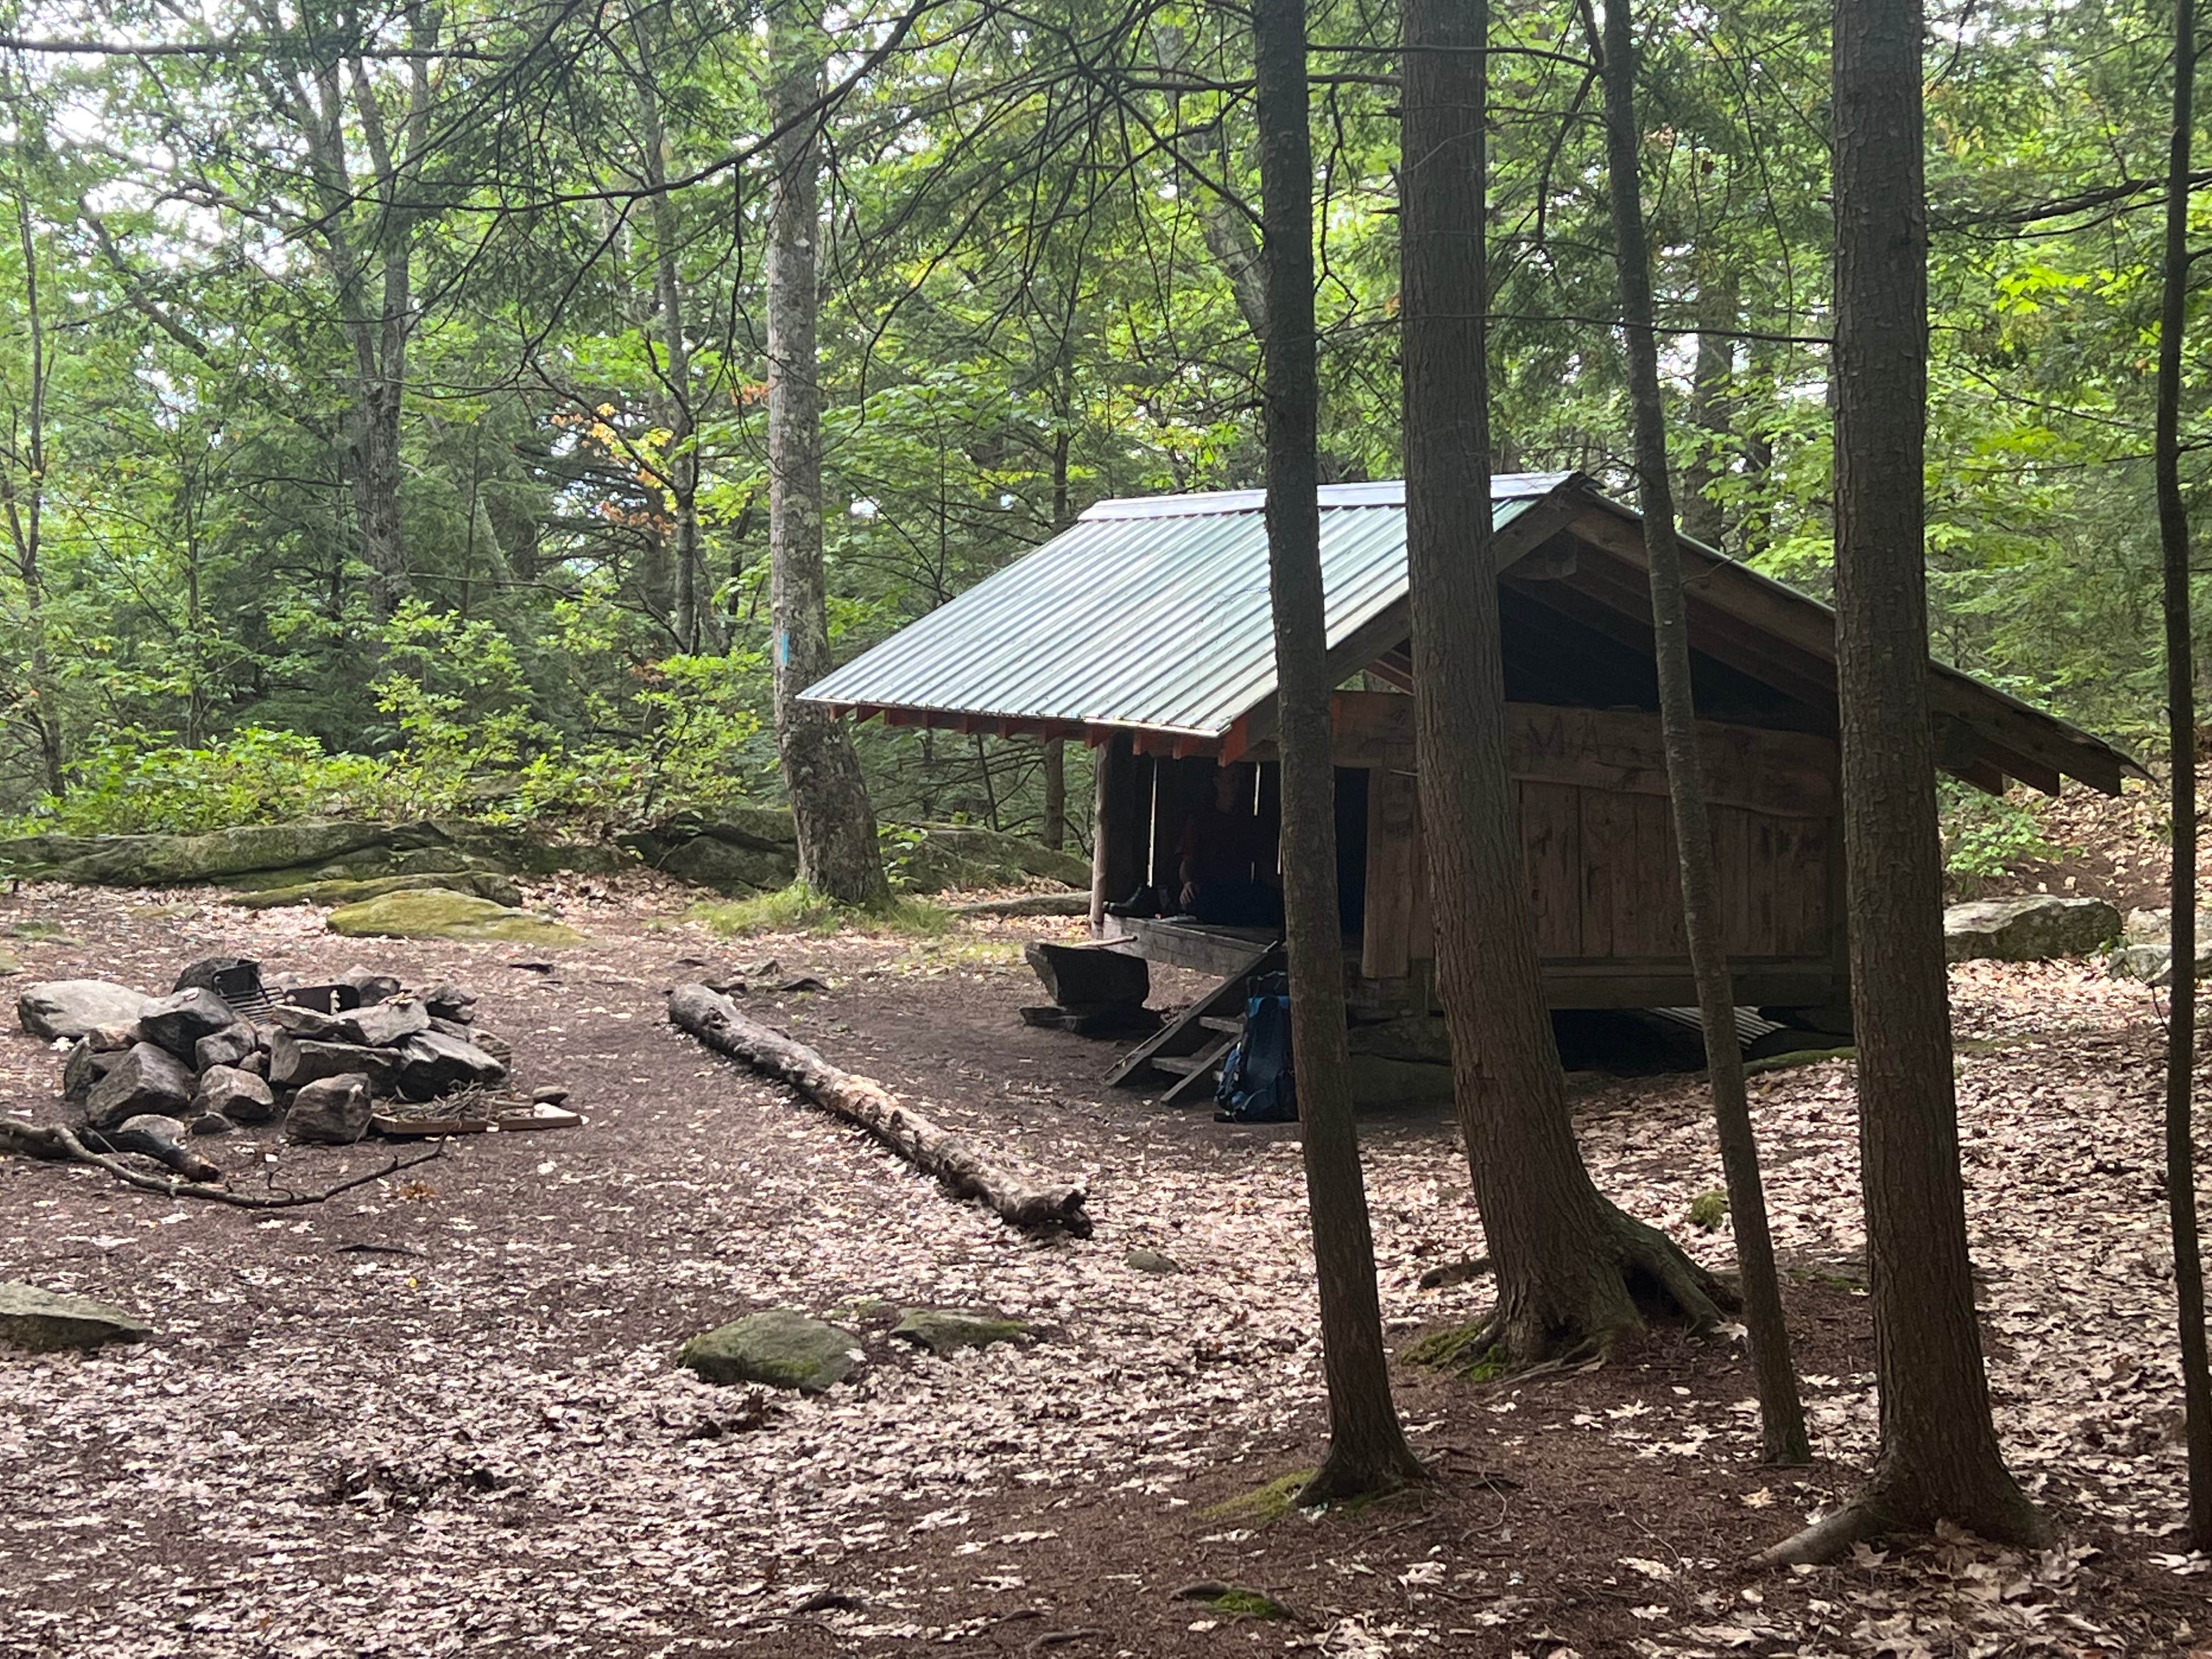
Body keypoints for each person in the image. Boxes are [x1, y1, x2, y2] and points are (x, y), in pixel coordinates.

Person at [1173, 765, 1282, 927]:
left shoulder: (1248, 823)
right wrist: (1187, 884)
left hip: (1238, 891)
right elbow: (1187, 861)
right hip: (1209, 891)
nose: (1236, 786)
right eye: (1232, 780)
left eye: (1239, 780)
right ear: (1217, 782)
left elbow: (1264, 868)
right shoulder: (1201, 820)